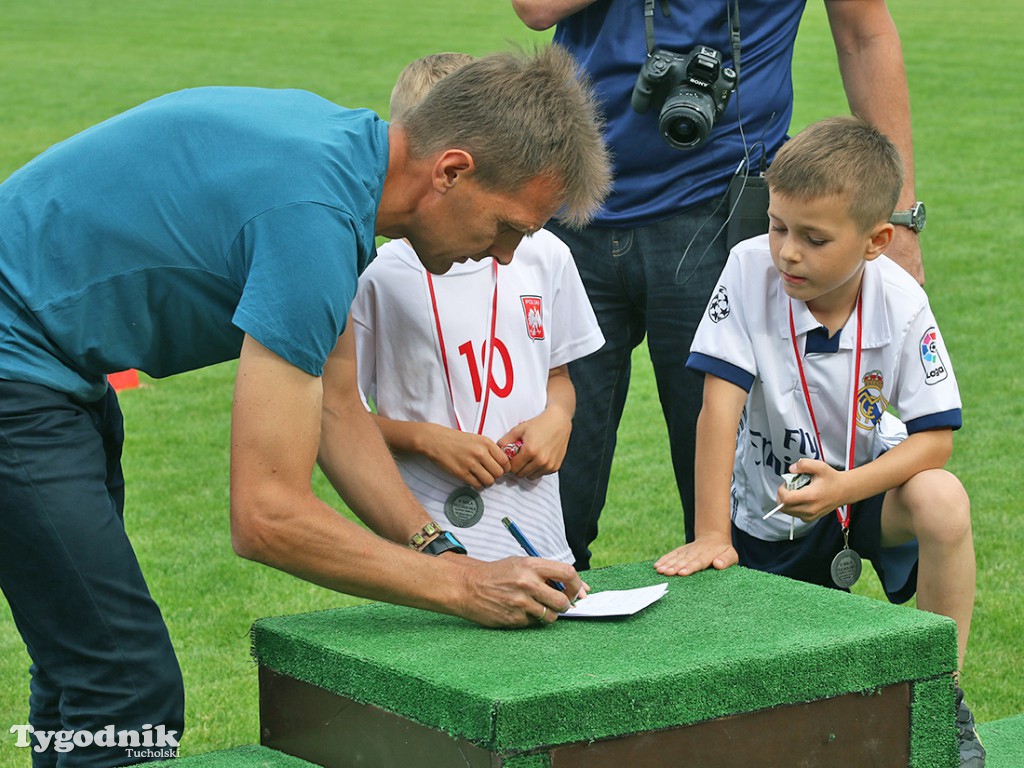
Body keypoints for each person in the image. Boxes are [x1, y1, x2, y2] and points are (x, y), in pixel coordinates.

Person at [0, 45, 611, 766]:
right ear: (451, 171)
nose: (504, 258)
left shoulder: (345, 163)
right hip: (21, 373)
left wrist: (442, 549)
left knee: (83, 664)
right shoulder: (314, 218)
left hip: (54, 368)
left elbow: (336, 410)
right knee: (126, 684)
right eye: (508, 227)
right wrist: (462, 585)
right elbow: (266, 517)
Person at [511, 0, 926, 570]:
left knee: (738, 516)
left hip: (722, 215)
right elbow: (535, 8)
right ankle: (545, 654)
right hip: (567, 200)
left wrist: (899, 218)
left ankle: (748, 658)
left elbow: (864, 34)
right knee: (549, 497)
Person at [653, 117, 984, 767]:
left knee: (943, 500)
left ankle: (939, 697)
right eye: (778, 226)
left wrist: (847, 488)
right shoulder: (748, 269)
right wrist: (711, 534)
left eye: (814, 237)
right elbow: (717, 409)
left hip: (861, 495)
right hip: (766, 506)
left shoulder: (901, 301)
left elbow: (935, 440)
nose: (787, 252)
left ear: (876, 241)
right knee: (755, 702)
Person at [348, 53, 605, 566]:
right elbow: (337, 413)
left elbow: (558, 376)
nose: (507, 250)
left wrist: (558, 418)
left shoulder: (545, 255)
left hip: (538, 529)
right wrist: (425, 440)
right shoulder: (372, 273)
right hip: (426, 541)